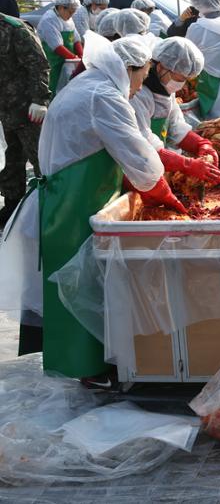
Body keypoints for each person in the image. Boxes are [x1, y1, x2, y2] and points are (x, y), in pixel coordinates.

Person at [36, 34, 185, 380]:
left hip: (78, 193)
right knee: (79, 281)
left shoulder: (95, 84)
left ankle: (91, 363)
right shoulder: (102, 95)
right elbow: (141, 161)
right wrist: (168, 197)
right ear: (128, 68)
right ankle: (83, 366)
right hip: (73, 200)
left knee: (88, 279)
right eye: (142, 74)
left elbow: (140, 137)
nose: (141, 83)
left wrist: (178, 165)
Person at [130, 37, 220, 185]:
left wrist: (201, 144)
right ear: (161, 67)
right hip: (134, 169)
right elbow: (144, 146)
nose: (182, 84)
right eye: (181, 78)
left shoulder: (165, 87)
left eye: (187, 79)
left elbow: (175, 126)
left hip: (153, 166)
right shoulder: (138, 94)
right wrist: (187, 164)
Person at [0, 12, 49, 229]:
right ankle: (12, 204)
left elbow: (38, 64)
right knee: (12, 157)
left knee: (41, 157)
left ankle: (51, 207)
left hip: (27, 108)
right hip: (5, 109)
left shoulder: (14, 29)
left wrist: (39, 99)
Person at [37, 0, 83, 96]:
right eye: (70, 12)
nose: (71, 15)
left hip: (66, 62)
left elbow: (76, 39)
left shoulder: (68, 19)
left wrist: (81, 55)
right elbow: (57, 46)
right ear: (61, 8)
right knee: (52, 88)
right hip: (52, 62)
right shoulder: (49, 19)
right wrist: (75, 59)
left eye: (73, 12)